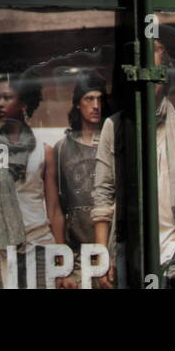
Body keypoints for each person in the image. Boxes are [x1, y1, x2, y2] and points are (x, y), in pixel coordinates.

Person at [92, 43, 175, 289]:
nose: (149, 79)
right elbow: (102, 196)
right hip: (129, 250)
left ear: (165, 75)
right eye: (144, 71)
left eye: (156, 72)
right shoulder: (115, 127)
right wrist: (103, 257)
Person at [0, 66, 65, 289]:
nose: (0, 104)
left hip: (40, 245)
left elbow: (53, 209)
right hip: (0, 251)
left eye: (7, 98)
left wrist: (62, 260)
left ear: (23, 103)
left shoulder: (44, 151)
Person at [54, 70, 109, 288]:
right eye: (89, 98)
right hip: (76, 253)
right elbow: (57, 206)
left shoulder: (113, 144)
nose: (96, 105)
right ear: (78, 103)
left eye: (100, 99)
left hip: (109, 246)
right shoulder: (62, 149)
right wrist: (61, 261)